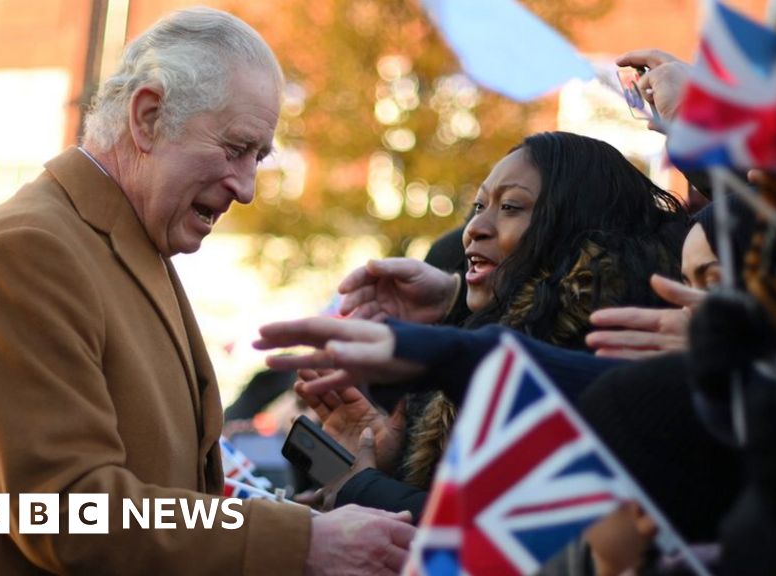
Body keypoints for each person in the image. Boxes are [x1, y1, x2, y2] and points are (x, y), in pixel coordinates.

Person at [0, 8, 412, 575]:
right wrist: (296, 542)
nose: (246, 188)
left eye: (259, 158)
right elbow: (65, 510)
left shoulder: (121, 243)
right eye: (236, 148)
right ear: (148, 116)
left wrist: (316, 520)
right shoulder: (29, 252)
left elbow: (167, 493)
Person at [294, 132, 689, 514]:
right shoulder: (491, 334)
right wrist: (382, 461)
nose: (474, 229)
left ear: (573, 224)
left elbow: (519, 536)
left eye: (511, 207)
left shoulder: (604, 356)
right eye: (480, 206)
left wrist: (363, 489)